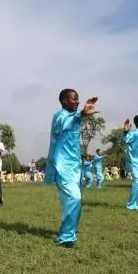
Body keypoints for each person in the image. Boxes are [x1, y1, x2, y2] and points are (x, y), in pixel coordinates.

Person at [44, 89, 98, 248]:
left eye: (78, 99)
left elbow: (74, 122)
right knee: (74, 198)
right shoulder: (59, 116)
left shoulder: (75, 117)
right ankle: (66, 237)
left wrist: (82, 114)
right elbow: (64, 124)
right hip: (62, 166)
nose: (77, 102)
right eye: (73, 100)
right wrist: (82, 113)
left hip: (75, 166)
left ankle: (70, 230)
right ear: (63, 101)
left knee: (75, 200)